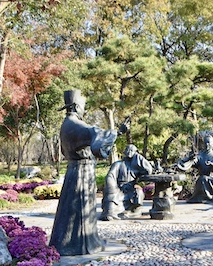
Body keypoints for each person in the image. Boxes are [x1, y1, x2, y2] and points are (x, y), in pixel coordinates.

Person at [49, 90, 127, 255]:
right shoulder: (75, 124)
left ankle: (72, 243)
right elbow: (95, 134)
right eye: (82, 107)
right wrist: (119, 132)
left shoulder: (66, 124)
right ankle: (82, 245)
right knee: (80, 210)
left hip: (73, 172)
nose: (83, 111)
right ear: (76, 107)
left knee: (71, 211)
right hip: (81, 173)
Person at [100, 144, 153, 220]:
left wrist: (139, 157)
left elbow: (148, 170)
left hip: (131, 188)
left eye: (132, 151)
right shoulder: (117, 164)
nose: (130, 153)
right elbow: (110, 177)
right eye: (129, 151)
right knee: (112, 198)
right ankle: (110, 213)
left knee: (139, 192)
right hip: (118, 188)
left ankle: (133, 211)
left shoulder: (135, 167)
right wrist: (113, 188)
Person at [177, 135, 213, 203]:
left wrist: (212, 164)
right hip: (202, 176)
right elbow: (195, 161)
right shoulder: (201, 154)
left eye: (209, 143)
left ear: (212, 144)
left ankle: (211, 198)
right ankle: (199, 199)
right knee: (202, 179)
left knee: (208, 180)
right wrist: (189, 160)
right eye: (205, 143)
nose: (207, 145)